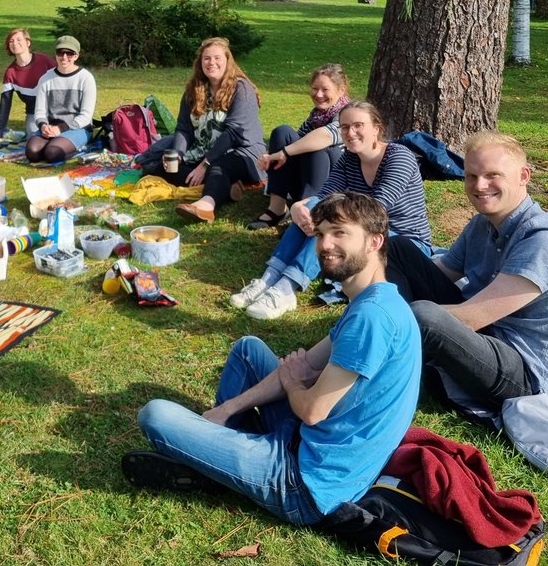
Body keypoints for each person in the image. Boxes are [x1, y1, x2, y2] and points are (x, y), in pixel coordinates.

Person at [123, 193, 420, 526]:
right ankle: (222, 446)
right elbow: (307, 363)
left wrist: (294, 382)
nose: (325, 244)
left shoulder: (372, 317)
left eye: (339, 233)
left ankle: (215, 465)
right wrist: (226, 409)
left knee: (156, 414)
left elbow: (310, 409)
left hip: (306, 484)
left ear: (374, 242)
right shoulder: (374, 300)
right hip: (311, 446)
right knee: (248, 349)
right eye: (321, 234)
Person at [386, 131, 548, 412]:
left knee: (423, 315)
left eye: (493, 175)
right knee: (398, 249)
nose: (480, 186)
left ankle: (387, 352)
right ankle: (397, 349)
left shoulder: (543, 241)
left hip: (533, 374)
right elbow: (444, 270)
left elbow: (470, 317)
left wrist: (387, 317)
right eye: (471, 176)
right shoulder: (482, 224)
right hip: (493, 334)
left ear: (523, 176)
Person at [231, 100, 430, 320]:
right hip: (363, 229)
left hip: (404, 243)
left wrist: (323, 218)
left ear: (376, 128)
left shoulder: (399, 157)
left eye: (358, 126)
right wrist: (301, 208)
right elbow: (324, 195)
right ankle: (269, 278)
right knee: (312, 209)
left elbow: (376, 210)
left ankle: (287, 288)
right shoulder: (349, 158)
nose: (350, 133)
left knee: (334, 225)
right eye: (344, 127)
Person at [134, 37, 266, 223]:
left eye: (217, 58)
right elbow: (184, 128)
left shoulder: (241, 89)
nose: (212, 62)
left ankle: (206, 205)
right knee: (160, 168)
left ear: (228, 61)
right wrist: (178, 153)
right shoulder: (194, 90)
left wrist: (205, 164)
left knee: (218, 167)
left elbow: (233, 133)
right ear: (200, 62)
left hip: (242, 152)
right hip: (203, 150)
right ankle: (226, 187)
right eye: (207, 58)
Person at [247, 63, 350, 231]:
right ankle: (277, 208)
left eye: (325, 90)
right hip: (307, 179)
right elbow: (297, 139)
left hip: (333, 190)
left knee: (316, 146)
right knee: (283, 132)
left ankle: (310, 214)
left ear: (341, 90)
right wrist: (274, 152)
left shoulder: (347, 114)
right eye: (315, 88)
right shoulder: (316, 115)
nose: (318, 94)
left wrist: (283, 152)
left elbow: (325, 136)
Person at [26, 35, 97, 164]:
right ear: (56, 54)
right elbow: (40, 111)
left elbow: (86, 116)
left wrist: (60, 129)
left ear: (76, 56)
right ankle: (56, 143)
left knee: (52, 153)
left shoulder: (86, 78)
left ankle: (81, 148)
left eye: (69, 53)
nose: (64, 57)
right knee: (32, 152)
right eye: (60, 52)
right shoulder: (45, 79)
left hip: (77, 128)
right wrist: (43, 126)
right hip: (51, 126)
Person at [0, 28, 57, 139]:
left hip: (57, 109)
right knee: (34, 138)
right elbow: (5, 103)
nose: (15, 43)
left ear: (28, 42)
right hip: (35, 113)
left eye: (19, 40)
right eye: (11, 41)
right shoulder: (10, 73)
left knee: (59, 135)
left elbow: (64, 81)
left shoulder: (45, 61)